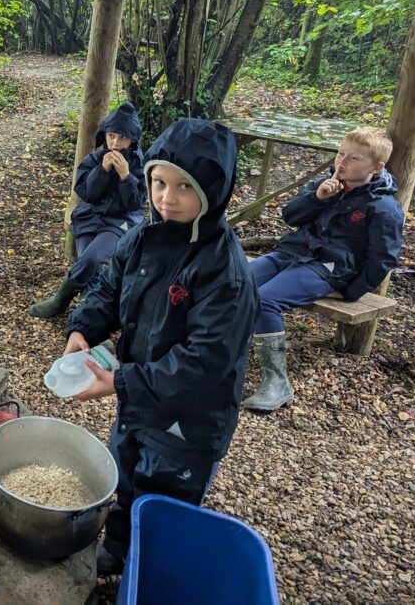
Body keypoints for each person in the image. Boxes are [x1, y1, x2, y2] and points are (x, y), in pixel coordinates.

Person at [63, 118, 259, 575]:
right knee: (126, 472)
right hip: (138, 400)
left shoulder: (225, 273)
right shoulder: (142, 237)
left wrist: (121, 382)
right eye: (158, 182)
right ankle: (117, 549)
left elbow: (204, 361)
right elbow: (109, 289)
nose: (167, 198)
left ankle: (149, 569)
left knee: (165, 496)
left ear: (213, 191)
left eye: (184, 187)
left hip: (189, 421)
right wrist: (84, 328)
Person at [243, 126, 404, 412]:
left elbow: (383, 259)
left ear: (377, 167)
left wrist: (350, 291)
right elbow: (290, 217)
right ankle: (224, 352)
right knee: (236, 282)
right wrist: (317, 198)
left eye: (353, 158)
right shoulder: (328, 184)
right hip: (291, 252)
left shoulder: (383, 207)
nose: (341, 162)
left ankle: (277, 383)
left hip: (327, 268)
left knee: (264, 299)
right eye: (340, 153)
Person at [30, 102, 146, 318]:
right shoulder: (94, 159)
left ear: (132, 141)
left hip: (119, 222)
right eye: (111, 135)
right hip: (89, 218)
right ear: (105, 135)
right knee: (89, 265)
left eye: (122, 137)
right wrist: (102, 170)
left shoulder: (139, 165)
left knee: (90, 260)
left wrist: (126, 176)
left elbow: (135, 203)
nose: (115, 142)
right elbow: (87, 194)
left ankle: (59, 300)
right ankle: (88, 317)